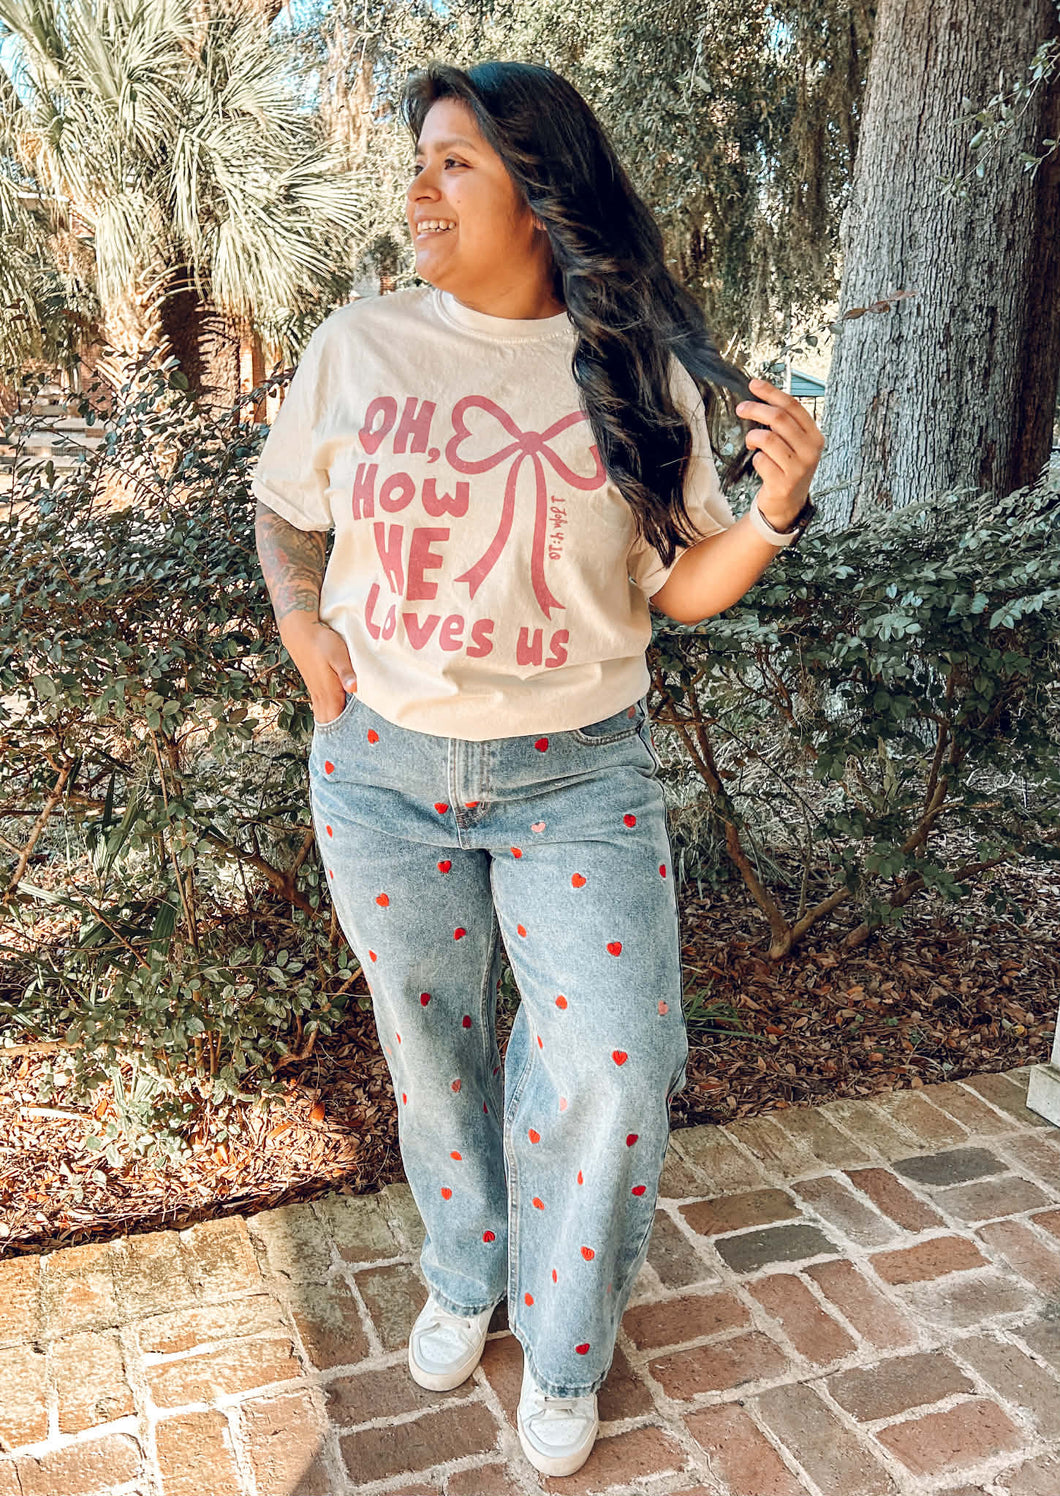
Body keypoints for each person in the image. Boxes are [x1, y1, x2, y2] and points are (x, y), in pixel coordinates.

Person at [252, 58, 824, 1479]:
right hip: (383, 772)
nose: (419, 191)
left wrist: (778, 509)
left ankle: (564, 1345)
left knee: (618, 1062)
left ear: (539, 193)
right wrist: (302, 624)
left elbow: (681, 587)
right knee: (430, 1047)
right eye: (420, 163)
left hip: (577, 778)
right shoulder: (362, 345)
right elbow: (285, 509)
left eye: (452, 163)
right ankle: (466, 1270)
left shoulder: (631, 371)